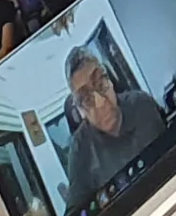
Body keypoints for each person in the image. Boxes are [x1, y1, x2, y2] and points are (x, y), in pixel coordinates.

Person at [55, 48, 153, 202]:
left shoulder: (142, 104)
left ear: (110, 81)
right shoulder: (80, 150)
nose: (101, 103)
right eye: (86, 98)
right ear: (81, 111)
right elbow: (78, 213)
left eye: (100, 84)